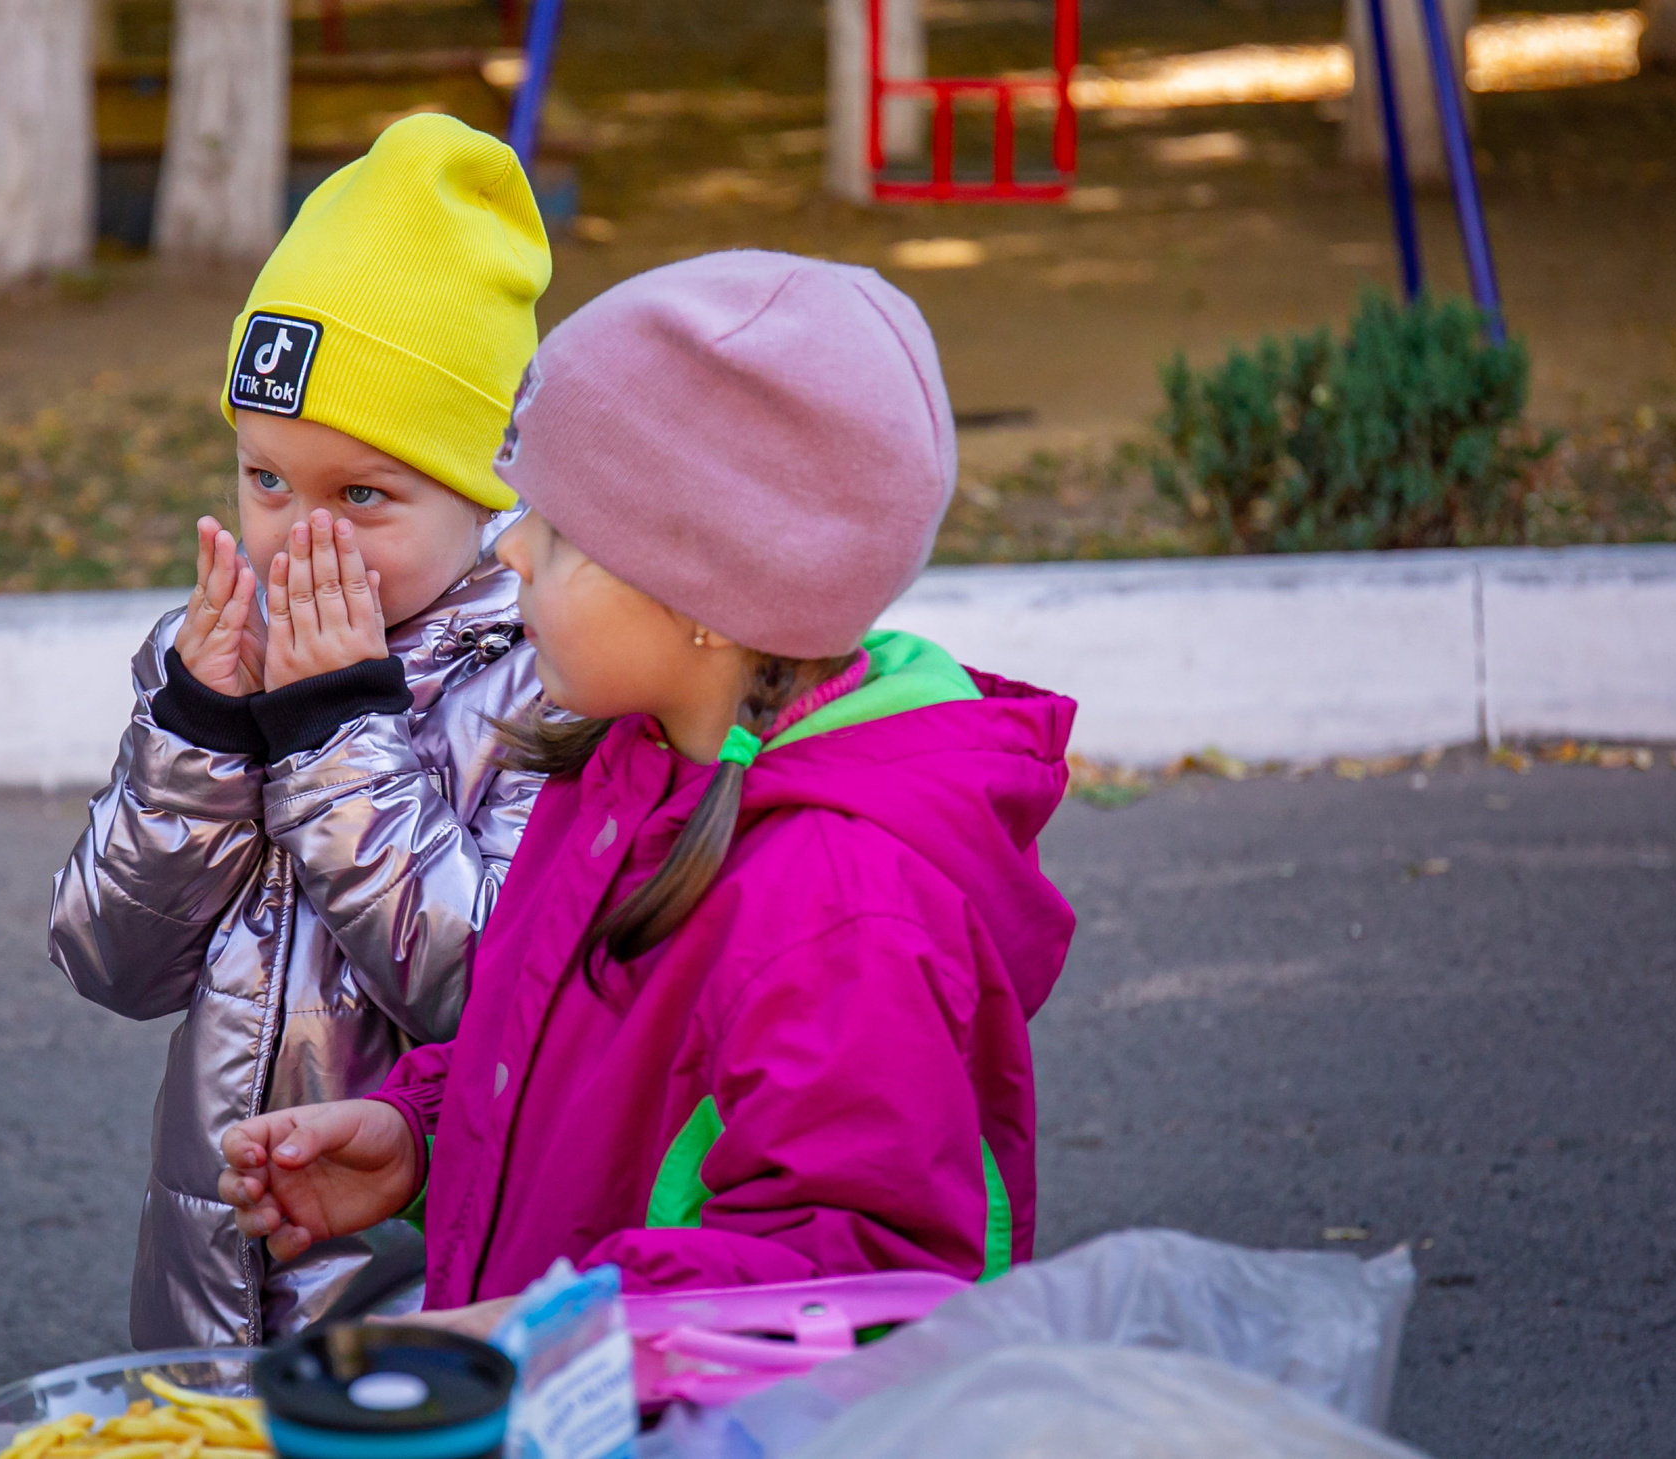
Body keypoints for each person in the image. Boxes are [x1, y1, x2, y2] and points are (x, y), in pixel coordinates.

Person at [215, 250, 1079, 1327]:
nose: (513, 549)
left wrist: (533, 1329)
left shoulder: (840, 906)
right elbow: (579, 1058)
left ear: (707, 592)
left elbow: (857, 1270)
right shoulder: (624, 760)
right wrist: (421, 1131)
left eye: (562, 529)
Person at [51, 114, 552, 1347]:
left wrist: (333, 732)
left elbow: (484, 997)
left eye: (362, 496)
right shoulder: (217, 653)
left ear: (491, 483)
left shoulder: (548, 681)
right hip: (206, 1268)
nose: (295, 537)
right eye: (264, 478)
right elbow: (111, 964)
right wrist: (202, 732)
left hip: (422, 1289)